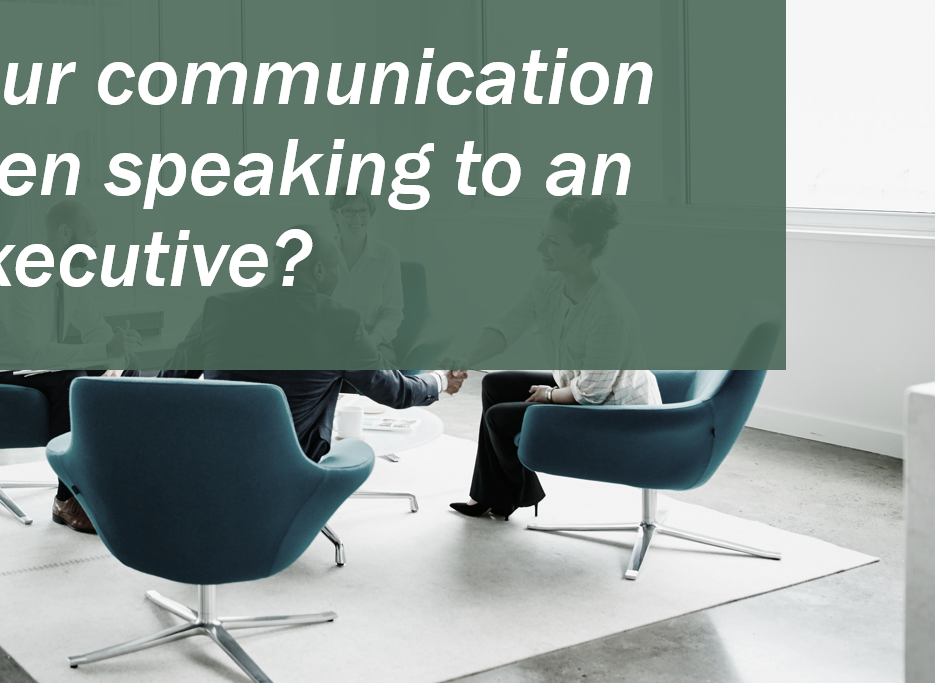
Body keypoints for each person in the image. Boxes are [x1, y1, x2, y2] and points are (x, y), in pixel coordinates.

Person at [163, 224, 464, 461]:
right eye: (336, 269)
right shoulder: (341, 321)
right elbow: (395, 391)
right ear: (319, 270)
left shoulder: (218, 307)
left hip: (214, 459)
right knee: (354, 446)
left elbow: (168, 382)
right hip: (292, 468)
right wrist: (440, 380)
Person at [450, 195, 658, 520]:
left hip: (616, 412)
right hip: (581, 389)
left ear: (583, 250)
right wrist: (466, 356)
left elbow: (592, 393)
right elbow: (509, 325)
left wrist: (548, 395)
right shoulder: (548, 281)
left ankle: (514, 495)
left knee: (500, 418)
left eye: (554, 242)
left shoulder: (607, 309)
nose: (540, 248)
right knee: (494, 385)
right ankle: (492, 497)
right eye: (542, 236)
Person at [0, 199, 141, 533]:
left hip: (36, 366)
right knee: (70, 381)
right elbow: (33, 353)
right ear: (65, 232)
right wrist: (104, 350)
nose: (96, 242)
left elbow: (96, 330)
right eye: (90, 234)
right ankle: (67, 499)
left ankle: (107, 482)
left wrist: (116, 359)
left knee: (126, 370)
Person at [325, 193, 405, 365]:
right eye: (349, 211)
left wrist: (368, 342)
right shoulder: (323, 252)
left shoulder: (387, 255)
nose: (357, 218)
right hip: (330, 340)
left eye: (363, 211)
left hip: (374, 342)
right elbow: (315, 305)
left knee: (361, 365)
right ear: (334, 215)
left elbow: (393, 313)